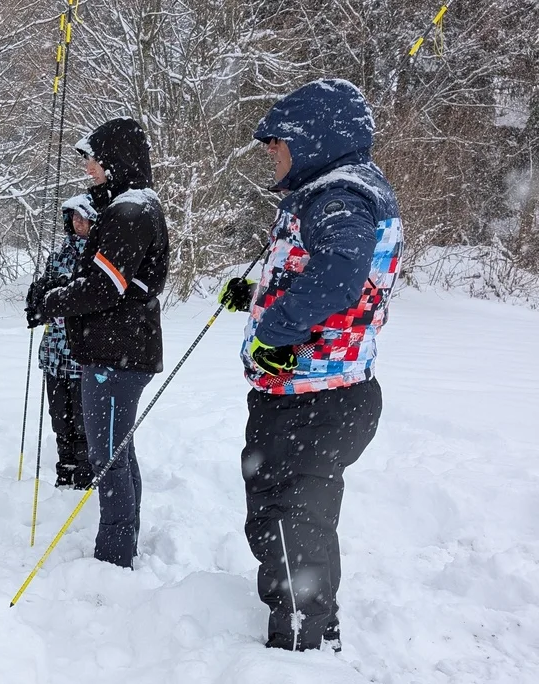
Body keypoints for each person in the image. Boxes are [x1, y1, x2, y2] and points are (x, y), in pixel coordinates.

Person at [218, 78, 402, 651]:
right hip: (327, 390)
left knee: (284, 515)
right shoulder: (341, 190)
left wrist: (275, 329)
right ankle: (318, 620)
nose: (271, 154)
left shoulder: (339, 195)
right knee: (304, 513)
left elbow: (341, 273)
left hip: (311, 397)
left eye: (278, 143)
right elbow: (327, 275)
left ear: (313, 138)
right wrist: (257, 295)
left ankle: (297, 642)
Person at [26, 117, 169, 568]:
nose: (88, 169)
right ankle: (122, 546)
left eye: (94, 160)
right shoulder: (130, 204)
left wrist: (52, 301)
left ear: (116, 159)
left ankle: (113, 556)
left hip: (116, 353)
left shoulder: (130, 211)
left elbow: (104, 286)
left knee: (107, 458)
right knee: (117, 451)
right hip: (119, 348)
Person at [34, 194, 95, 489]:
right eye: (74, 217)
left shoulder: (100, 254)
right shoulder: (59, 254)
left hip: (83, 354)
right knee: (59, 418)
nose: (78, 223)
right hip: (54, 352)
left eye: (84, 218)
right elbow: (45, 294)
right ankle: (64, 469)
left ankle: (85, 473)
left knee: (83, 421)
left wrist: (68, 298)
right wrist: (39, 298)